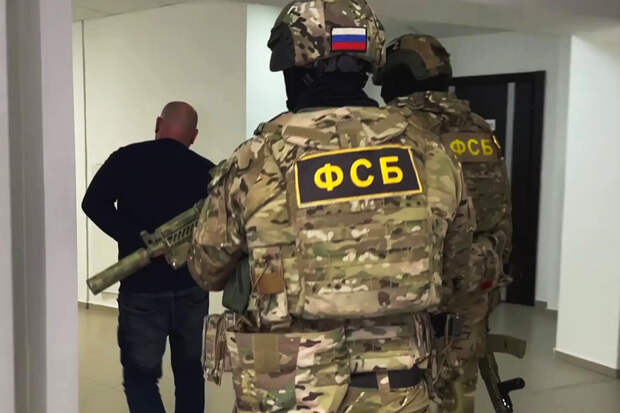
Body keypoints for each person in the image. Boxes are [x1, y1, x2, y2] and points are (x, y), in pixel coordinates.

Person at [189, 2, 474, 412]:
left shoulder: (257, 159)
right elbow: (456, 265)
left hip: (286, 383)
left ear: (295, 68)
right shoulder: (429, 152)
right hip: (395, 381)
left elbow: (207, 269)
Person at [376, 34, 513, 413]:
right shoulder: (479, 128)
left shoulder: (397, 129)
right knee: (458, 391)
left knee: (402, 392)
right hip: (476, 283)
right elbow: (502, 209)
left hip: (417, 292)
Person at [82, 101, 214, 413]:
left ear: (158, 123)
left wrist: (134, 235)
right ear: (194, 136)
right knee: (190, 373)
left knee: (141, 378)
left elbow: (93, 203)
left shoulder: (125, 158)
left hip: (141, 289)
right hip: (192, 288)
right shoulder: (207, 170)